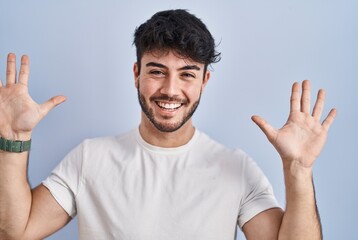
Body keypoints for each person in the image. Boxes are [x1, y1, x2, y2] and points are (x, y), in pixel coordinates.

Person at [0, 9, 336, 240]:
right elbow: (16, 231)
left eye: (187, 74)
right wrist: (13, 139)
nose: (170, 90)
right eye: (157, 71)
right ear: (137, 74)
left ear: (205, 81)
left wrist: (298, 169)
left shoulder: (237, 168)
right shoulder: (90, 158)